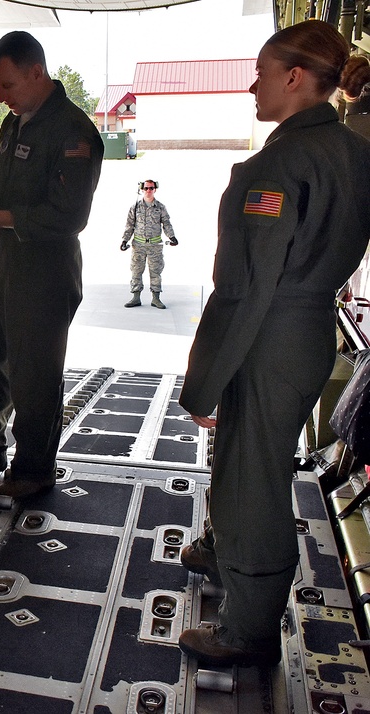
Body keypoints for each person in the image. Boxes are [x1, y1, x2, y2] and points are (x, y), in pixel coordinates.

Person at [178, 19, 370, 667]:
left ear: (293, 78)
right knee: (247, 458)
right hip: (310, 331)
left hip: (267, 336)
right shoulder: (354, 150)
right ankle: (218, 546)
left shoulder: (277, 164)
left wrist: (202, 383)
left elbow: (244, 289)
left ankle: (246, 628)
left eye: (259, 72)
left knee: (251, 479)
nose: (250, 85)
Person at [0, 31, 104, 498]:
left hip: (45, 273)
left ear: (37, 73)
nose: (2, 96)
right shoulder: (14, 122)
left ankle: (34, 468)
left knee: (34, 372)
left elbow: (70, 215)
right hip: (4, 265)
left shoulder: (74, 132)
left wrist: (1, 218)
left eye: (8, 85)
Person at [120, 179, 178, 309]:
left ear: (155, 189)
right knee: (136, 270)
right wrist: (124, 240)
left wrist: (172, 237)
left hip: (155, 245)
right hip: (138, 245)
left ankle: (156, 298)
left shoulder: (161, 207)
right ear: (142, 189)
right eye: (146, 188)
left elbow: (166, 223)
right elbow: (129, 225)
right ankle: (136, 297)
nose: (148, 191)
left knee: (156, 271)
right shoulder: (135, 207)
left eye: (151, 188)